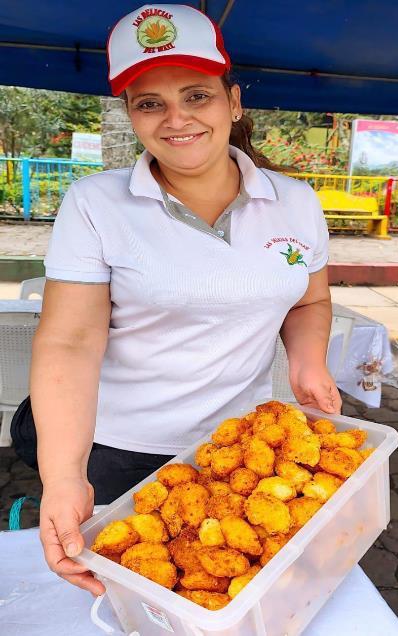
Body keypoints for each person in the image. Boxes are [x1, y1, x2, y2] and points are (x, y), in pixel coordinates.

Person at [27, 4, 341, 596]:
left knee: (234, 594)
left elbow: (308, 301)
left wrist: (308, 362)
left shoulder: (297, 202)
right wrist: (64, 476)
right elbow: (70, 340)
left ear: (233, 102)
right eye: (150, 103)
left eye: (197, 95)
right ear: (131, 115)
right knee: (137, 601)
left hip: (240, 447)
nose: (177, 119)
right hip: (122, 450)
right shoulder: (95, 204)